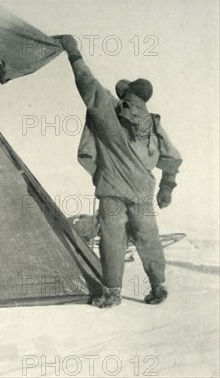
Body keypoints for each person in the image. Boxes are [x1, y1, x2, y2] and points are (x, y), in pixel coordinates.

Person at [57, 35, 182, 308]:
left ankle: (112, 293)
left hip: (112, 190)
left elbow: (87, 84)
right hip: (143, 192)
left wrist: (73, 54)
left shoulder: (109, 111)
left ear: (126, 95)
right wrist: (166, 188)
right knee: (148, 238)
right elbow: (173, 158)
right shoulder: (152, 123)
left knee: (112, 241)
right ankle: (158, 286)